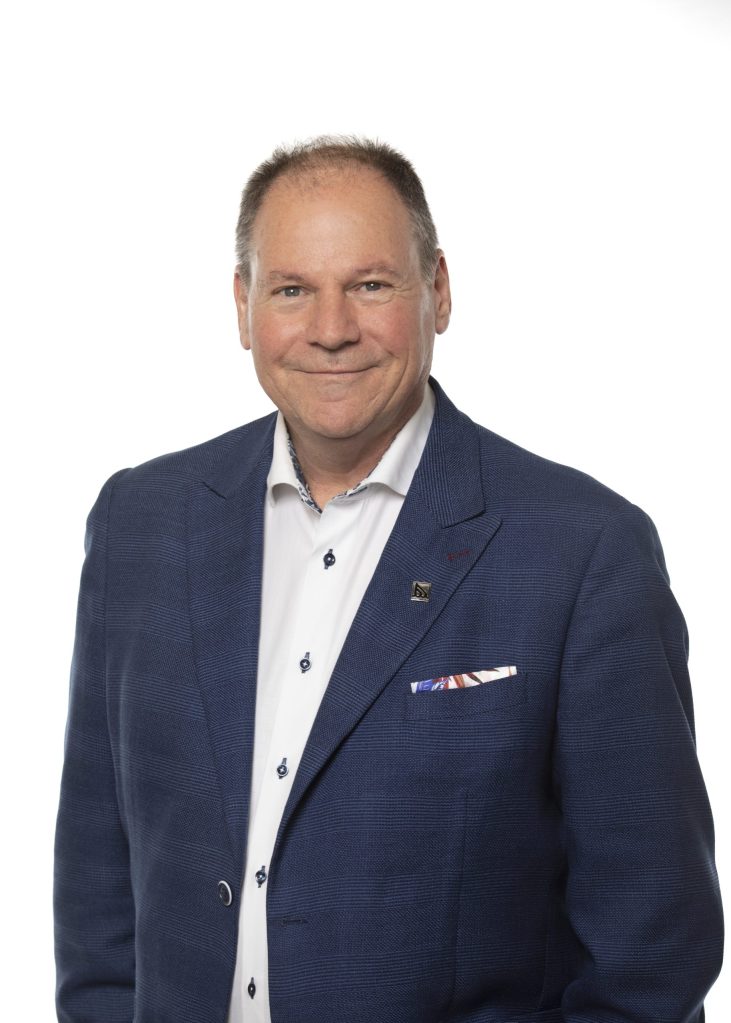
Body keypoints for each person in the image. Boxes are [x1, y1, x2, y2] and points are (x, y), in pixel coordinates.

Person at [53, 135, 723, 1023]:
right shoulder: (139, 524)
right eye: (291, 290)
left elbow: (651, 950)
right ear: (243, 307)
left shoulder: (582, 553)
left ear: (437, 290)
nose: (331, 328)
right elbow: (97, 897)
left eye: (370, 285)